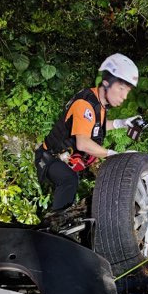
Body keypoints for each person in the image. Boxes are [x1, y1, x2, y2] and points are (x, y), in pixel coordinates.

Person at [35, 53, 140, 212]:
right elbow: (83, 142)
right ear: (106, 83)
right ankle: (55, 225)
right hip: (49, 157)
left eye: (128, 91)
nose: (124, 96)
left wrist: (122, 123)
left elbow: (98, 127)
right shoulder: (85, 103)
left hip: (68, 160)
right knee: (69, 181)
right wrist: (114, 155)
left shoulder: (99, 104)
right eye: (121, 88)